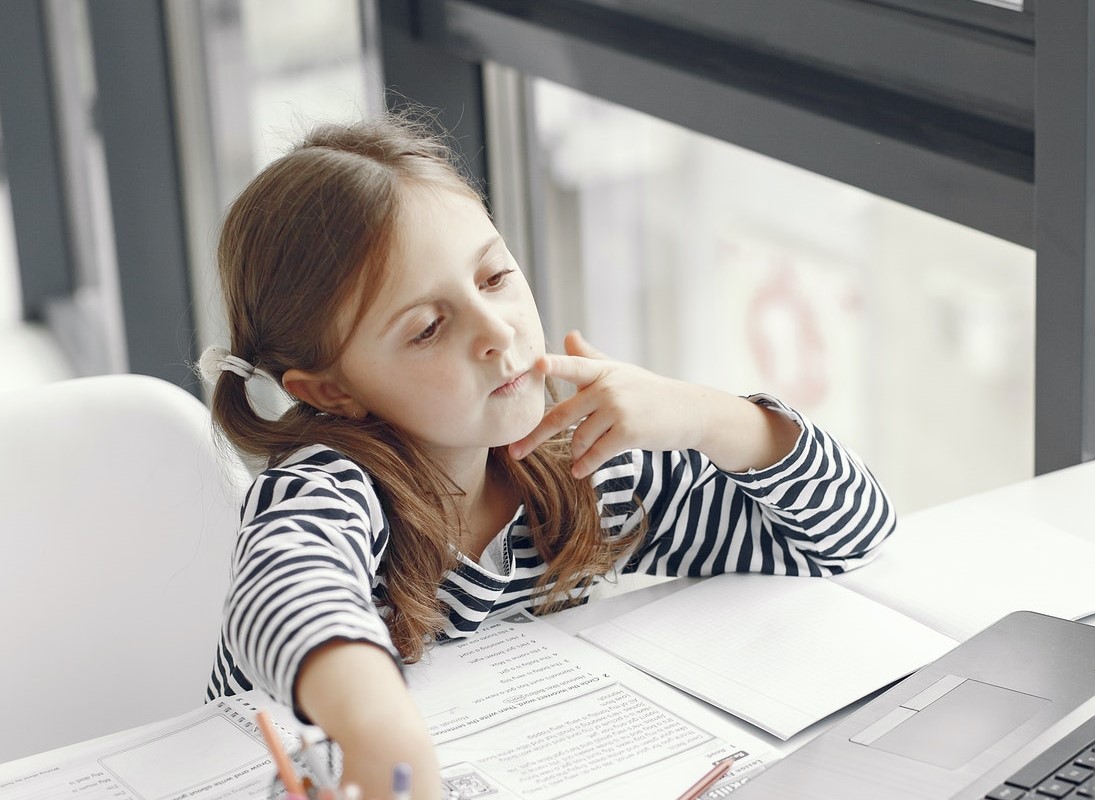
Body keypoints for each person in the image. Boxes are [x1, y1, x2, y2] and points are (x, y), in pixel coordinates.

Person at [199, 113, 896, 799]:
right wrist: (378, 725)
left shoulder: (585, 464)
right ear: (333, 389)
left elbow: (848, 536)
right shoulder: (327, 485)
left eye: (495, 276)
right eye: (429, 328)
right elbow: (284, 585)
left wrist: (709, 417)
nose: (499, 333)